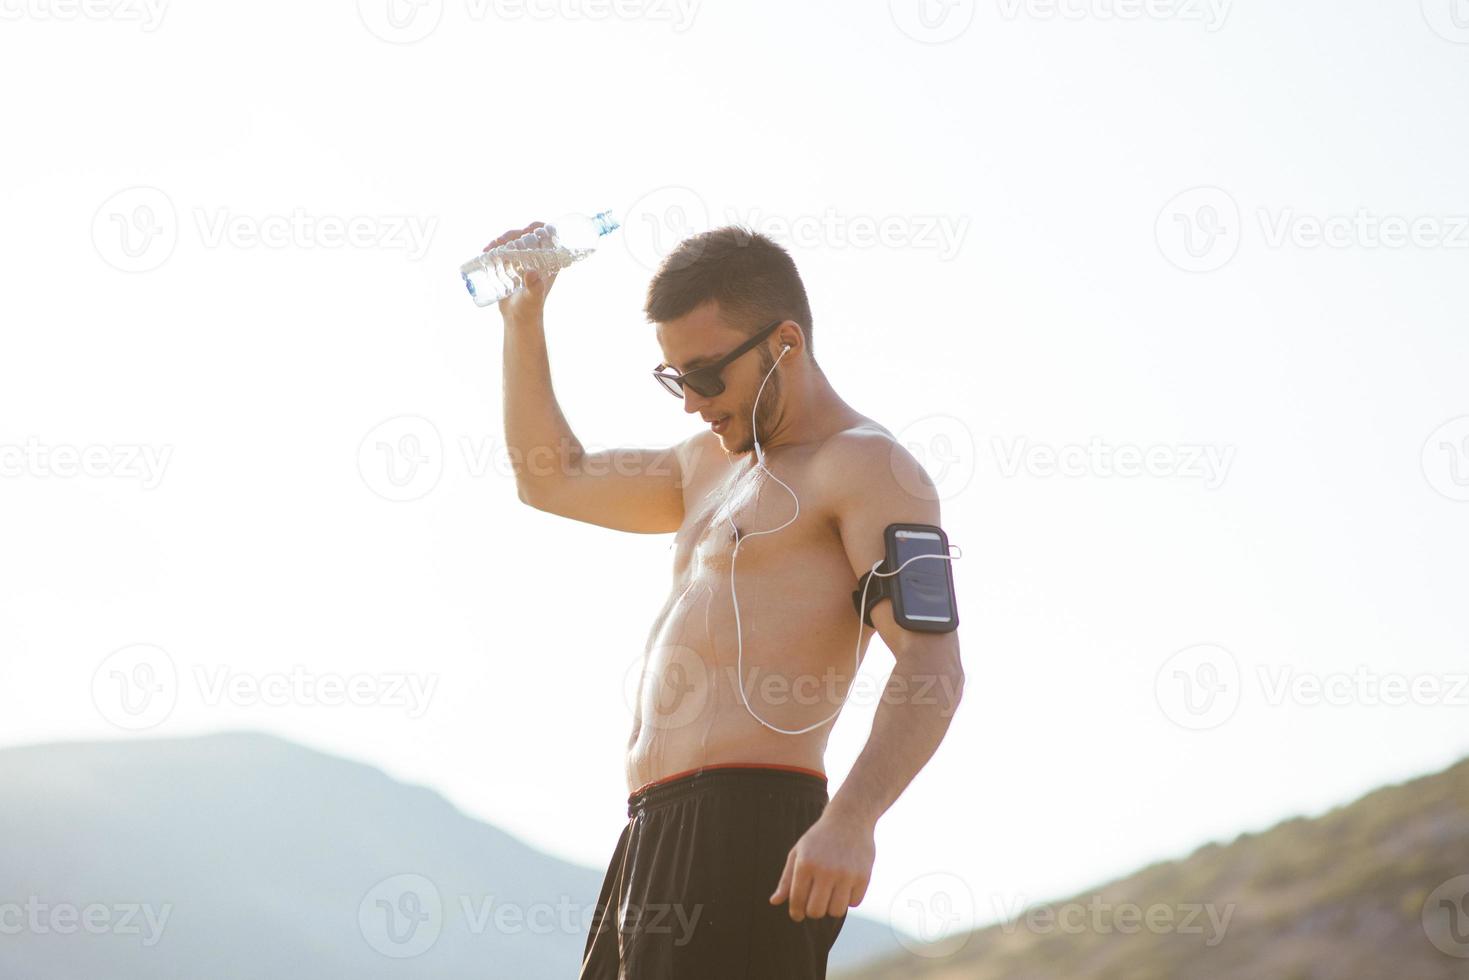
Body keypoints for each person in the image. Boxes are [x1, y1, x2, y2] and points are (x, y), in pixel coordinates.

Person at [491, 222, 965, 979]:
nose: (691, 403)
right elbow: (549, 479)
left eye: (707, 375)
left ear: (784, 343)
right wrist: (525, 315)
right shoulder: (703, 466)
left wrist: (851, 821)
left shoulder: (868, 467)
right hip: (649, 833)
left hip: (749, 828)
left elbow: (932, 663)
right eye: (675, 378)